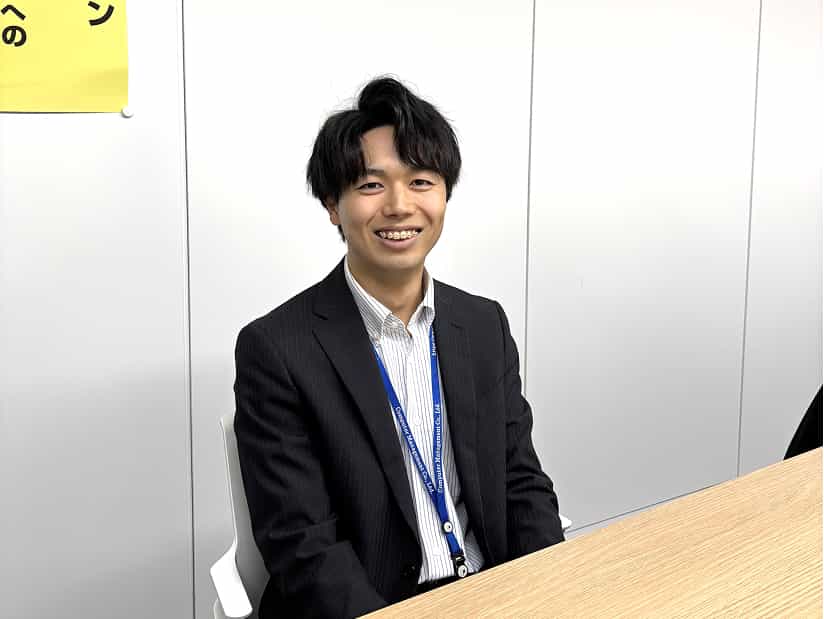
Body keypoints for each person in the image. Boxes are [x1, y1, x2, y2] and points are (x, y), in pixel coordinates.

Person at [233, 76, 564, 619]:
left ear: (444, 195)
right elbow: (303, 545)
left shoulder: (483, 324)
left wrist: (552, 590)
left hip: (488, 592)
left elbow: (521, 482)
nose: (399, 205)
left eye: (421, 181)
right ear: (333, 204)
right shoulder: (277, 349)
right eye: (370, 185)